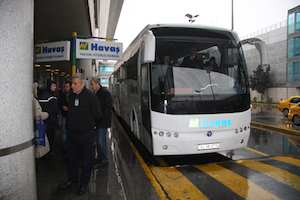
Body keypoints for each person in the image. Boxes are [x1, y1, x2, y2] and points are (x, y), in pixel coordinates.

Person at [59, 73, 102, 196]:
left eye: (74, 83)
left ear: (83, 84)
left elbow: (98, 115)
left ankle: (83, 184)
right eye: (71, 83)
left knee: (86, 160)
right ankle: (72, 181)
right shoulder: (72, 95)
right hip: (72, 134)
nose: (72, 86)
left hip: (85, 134)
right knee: (71, 159)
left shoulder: (90, 97)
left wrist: (91, 125)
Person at [90, 78, 112, 167]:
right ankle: (99, 157)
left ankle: (104, 159)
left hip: (102, 122)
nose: (91, 86)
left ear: (97, 84)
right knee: (98, 141)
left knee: (101, 141)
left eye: (92, 84)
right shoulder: (96, 94)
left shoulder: (105, 94)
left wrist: (98, 119)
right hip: (97, 122)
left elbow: (107, 109)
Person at [39, 79, 59, 158]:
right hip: (48, 121)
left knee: (51, 137)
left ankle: (49, 151)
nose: (55, 87)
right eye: (53, 85)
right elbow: (44, 108)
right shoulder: (45, 95)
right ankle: (46, 153)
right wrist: (49, 114)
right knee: (47, 137)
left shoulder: (52, 95)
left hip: (52, 121)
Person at [58, 82, 71, 154]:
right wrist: (62, 107)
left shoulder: (73, 95)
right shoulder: (62, 95)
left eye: (67, 86)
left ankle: (70, 146)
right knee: (64, 133)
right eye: (65, 86)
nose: (65, 88)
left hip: (71, 116)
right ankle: (65, 148)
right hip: (64, 115)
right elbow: (59, 104)